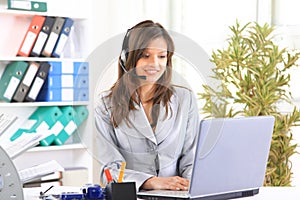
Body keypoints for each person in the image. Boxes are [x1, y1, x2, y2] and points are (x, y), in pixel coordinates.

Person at [95, 20, 200, 191]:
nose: (155, 64)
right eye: (145, 55)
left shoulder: (184, 99)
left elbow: (191, 159)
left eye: (161, 56)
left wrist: (192, 187)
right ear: (127, 58)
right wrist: (150, 181)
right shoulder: (106, 105)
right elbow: (109, 171)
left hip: (178, 194)